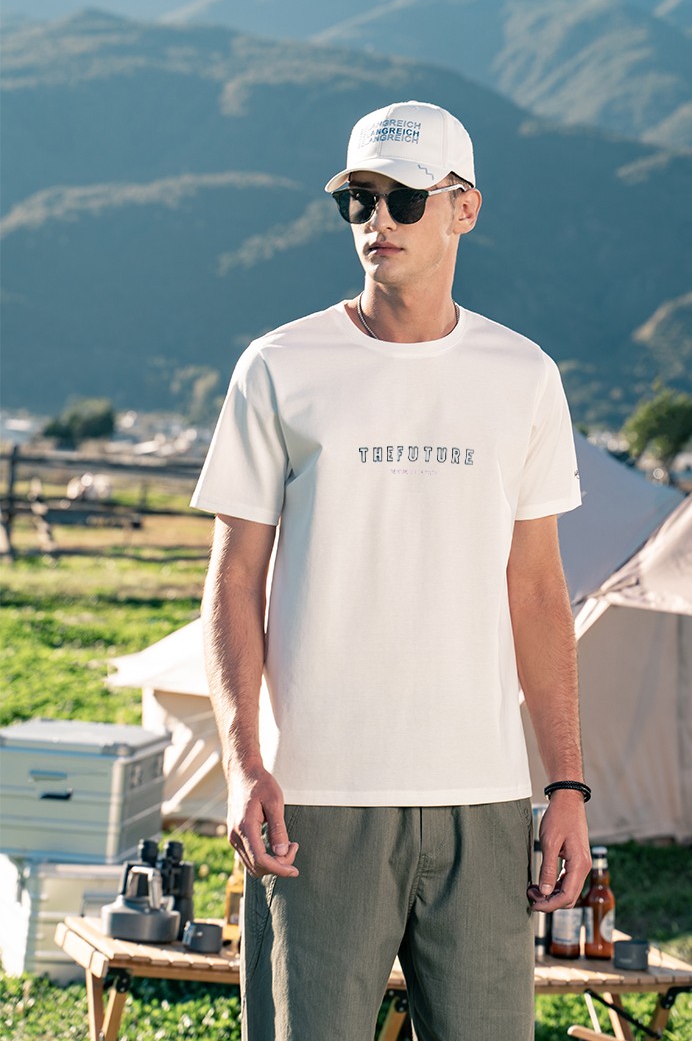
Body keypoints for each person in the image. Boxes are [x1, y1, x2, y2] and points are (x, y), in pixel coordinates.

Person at [192, 100, 591, 1041]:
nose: (379, 219)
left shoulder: (524, 376)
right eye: (359, 199)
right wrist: (244, 765)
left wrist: (567, 786)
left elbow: (537, 591)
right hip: (314, 805)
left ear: (465, 209)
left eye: (405, 198)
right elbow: (234, 582)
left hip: (482, 802)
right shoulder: (278, 367)